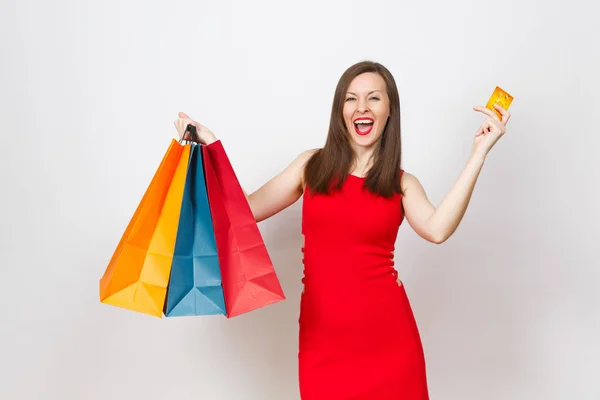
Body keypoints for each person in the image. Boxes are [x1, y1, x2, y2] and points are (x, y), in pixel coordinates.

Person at [173, 61, 511, 399]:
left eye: (374, 98)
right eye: (352, 99)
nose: (362, 108)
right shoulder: (311, 166)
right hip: (322, 344)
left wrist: (478, 154)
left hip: (390, 344)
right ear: (340, 110)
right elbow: (245, 210)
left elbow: (437, 229)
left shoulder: (402, 183)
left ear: (390, 109)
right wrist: (211, 148)